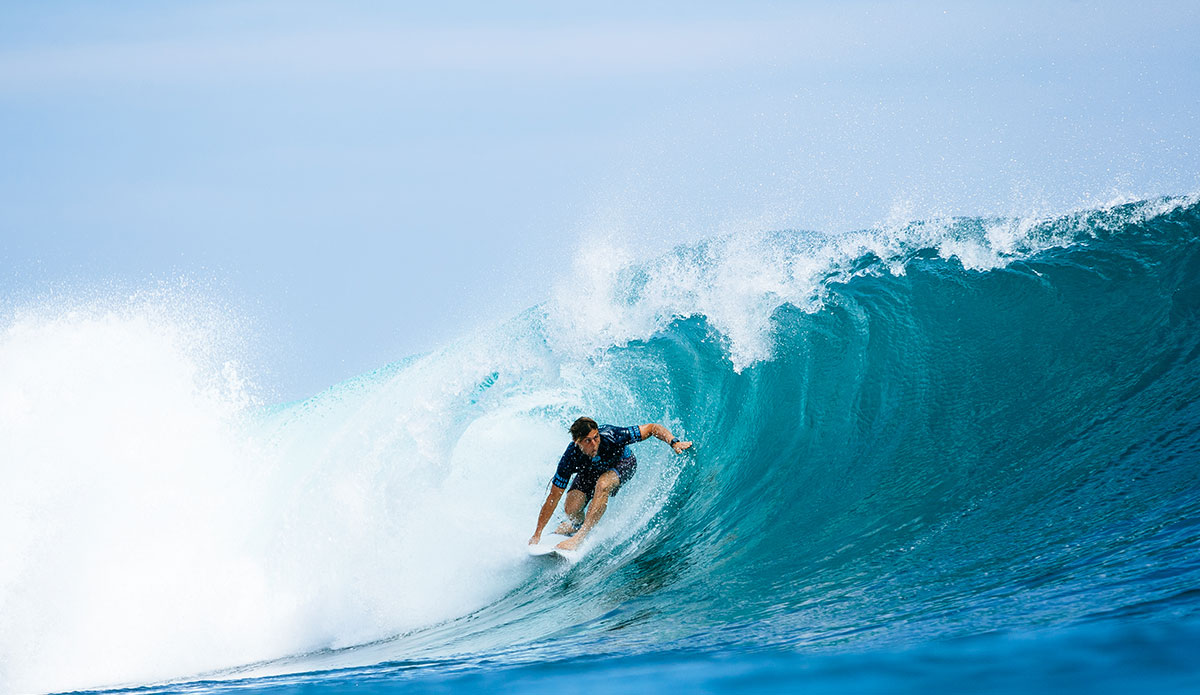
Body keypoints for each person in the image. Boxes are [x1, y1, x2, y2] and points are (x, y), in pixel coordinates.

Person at [529, 416, 692, 552]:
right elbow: (553, 498)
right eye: (588, 441)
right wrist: (537, 533)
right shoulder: (569, 459)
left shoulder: (612, 435)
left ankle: (579, 537)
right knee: (571, 509)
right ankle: (576, 525)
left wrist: (674, 442)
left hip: (623, 463)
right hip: (590, 471)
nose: (594, 444)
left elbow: (651, 428)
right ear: (576, 441)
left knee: (603, 484)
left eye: (595, 437)